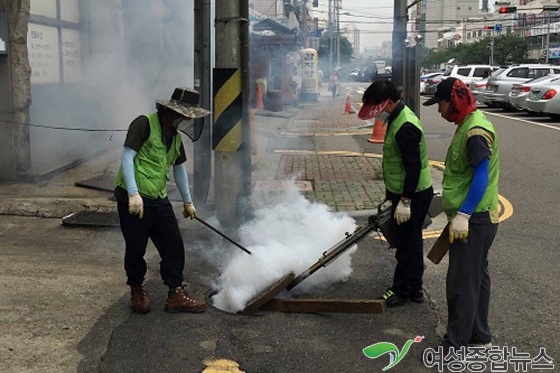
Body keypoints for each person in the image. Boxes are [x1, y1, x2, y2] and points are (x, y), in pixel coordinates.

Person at [114, 87, 210, 314]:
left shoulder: (174, 139)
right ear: (172, 112)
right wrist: (133, 193)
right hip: (134, 200)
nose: (187, 120)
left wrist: (188, 201)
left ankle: (175, 293)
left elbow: (179, 170)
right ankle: (137, 289)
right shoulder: (144, 123)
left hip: (159, 199)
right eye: (185, 116)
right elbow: (127, 157)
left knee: (173, 246)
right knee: (136, 248)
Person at [423, 77, 500, 353]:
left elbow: (480, 176)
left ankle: (455, 345)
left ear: (452, 101)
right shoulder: (468, 123)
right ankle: (480, 336)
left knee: (462, 283)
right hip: (477, 218)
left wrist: (464, 214)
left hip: (474, 219)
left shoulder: (475, 131)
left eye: (441, 104)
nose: (440, 111)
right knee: (476, 278)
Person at [359, 80, 433, 308]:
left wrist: (405, 202)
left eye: (377, 108)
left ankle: (401, 290)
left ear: (389, 102)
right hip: (401, 193)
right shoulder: (395, 116)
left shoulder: (406, 127)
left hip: (412, 195)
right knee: (411, 241)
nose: (376, 114)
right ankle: (415, 287)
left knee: (406, 244)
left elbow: (413, 168)